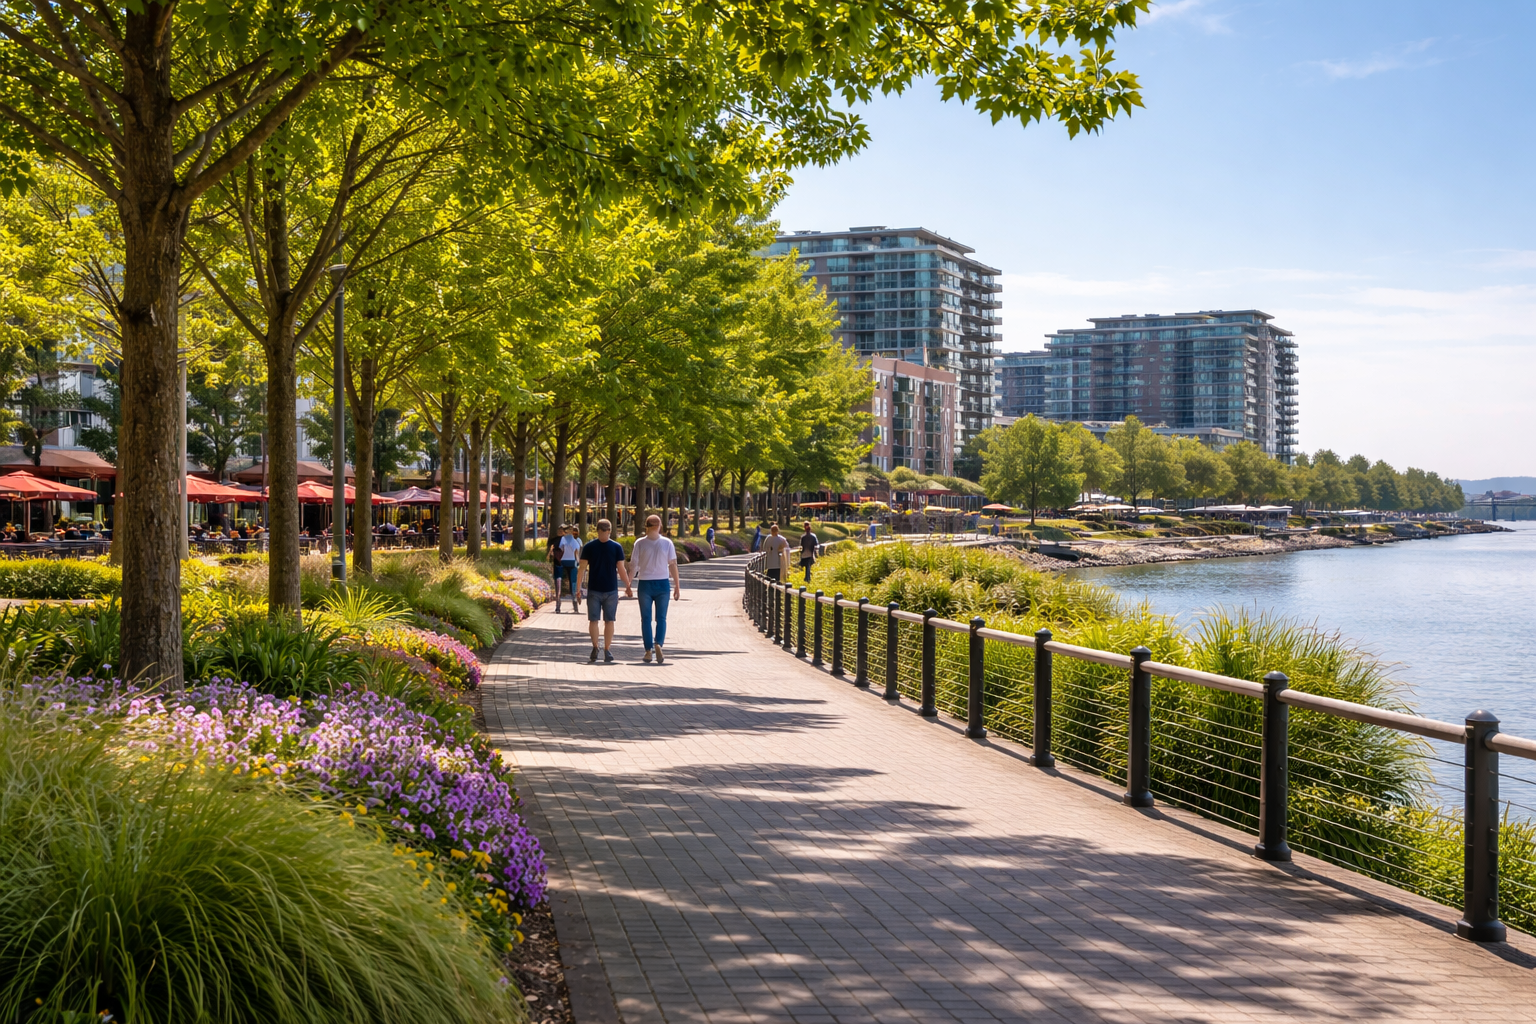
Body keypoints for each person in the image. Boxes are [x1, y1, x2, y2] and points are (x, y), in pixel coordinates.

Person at [577, 518, 631, 663]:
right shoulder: (616, 547)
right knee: (606, 621)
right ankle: (603, 649)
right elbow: (621, 569)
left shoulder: (589, 546)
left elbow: (581, 569)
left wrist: (578, 588)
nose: (604, 534)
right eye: (605, 532)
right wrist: (627, 585)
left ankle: (599, 647)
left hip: (599, 589)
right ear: (610, 531)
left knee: (599, 620)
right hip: (607, 589)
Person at [630, 514, 680, 664]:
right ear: (659, 527)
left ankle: (648, 651)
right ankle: (658, 643)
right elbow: (672, 564)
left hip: (645, 583)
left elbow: (634, 565)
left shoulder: (639, 543)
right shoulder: (667, 543)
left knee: (646, 619)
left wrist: (628, 583)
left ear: (646, 527)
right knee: (661, 618)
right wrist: (677, 585)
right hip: (663, 584)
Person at [556, 524, 583, 612]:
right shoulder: (575, 542)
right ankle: (574, 601)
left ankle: (558, 603)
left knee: (561, 582)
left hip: (563, 562)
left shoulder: (563, 539)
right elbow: (576, 555)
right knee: (573, 581)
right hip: (572, 563)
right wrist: (579, 563)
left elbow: (561, 550)